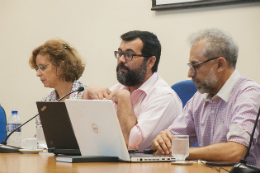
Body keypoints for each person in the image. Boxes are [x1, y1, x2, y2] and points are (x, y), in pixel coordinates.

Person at [151, 28, 260, 166]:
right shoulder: (199, 98)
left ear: (220, 64)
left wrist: (181, 152)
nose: (189, 74)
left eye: (195, 66)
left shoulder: (248, 93)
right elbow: (171, 141)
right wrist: (160, 142)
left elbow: (236, 151)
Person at [82, 30, 182, 151]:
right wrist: (87, 94)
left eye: (129, 55)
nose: (121, 60)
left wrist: (124, 98)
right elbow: (87, 132)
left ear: (150, 62)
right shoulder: (119, 88)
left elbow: (130, 146)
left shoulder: (164, 97)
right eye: (119, 53)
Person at [29, 38, 87, 125]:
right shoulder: (46, 102)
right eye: (37, 69)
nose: (38, 74)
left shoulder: (87, 95)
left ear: (61, 66)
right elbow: (40, 136)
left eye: (42, 67)